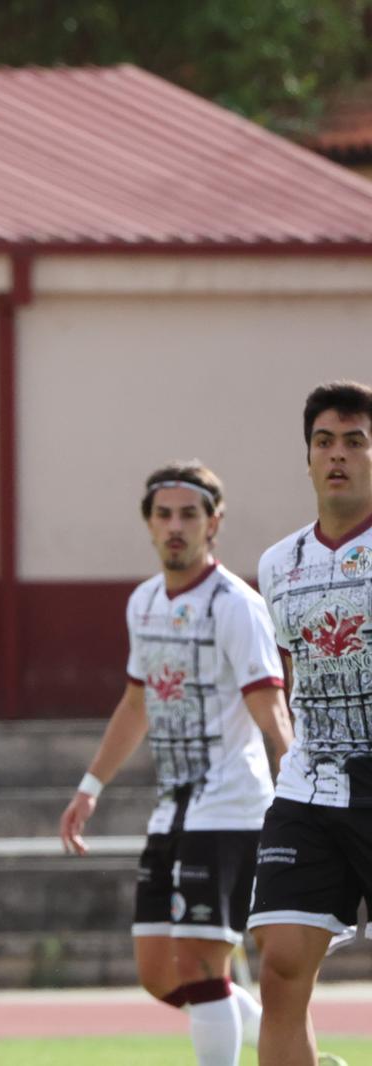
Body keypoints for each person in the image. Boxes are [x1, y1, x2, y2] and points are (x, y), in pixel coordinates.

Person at [59, 463, 292, 1066]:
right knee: (160, 973)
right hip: (175, 807)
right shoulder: (143, 603)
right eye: (164, 514)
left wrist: (296, 790)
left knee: (199, 960)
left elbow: (269, 705)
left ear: (214, 523)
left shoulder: (236, 606)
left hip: (232, 803)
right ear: (149, 524)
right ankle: (294, 1049)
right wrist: (91, 786)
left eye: (189, 514)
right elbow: (138, 701)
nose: (175, 526)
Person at [250, 381, 372, 1066]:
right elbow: (295, 673)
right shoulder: (277, 564)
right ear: (307, 458)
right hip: (309, 786)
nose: (338, 456)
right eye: (325, 442)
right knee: (280, 969)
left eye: (355, 441)